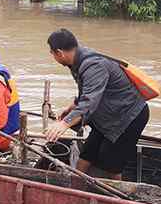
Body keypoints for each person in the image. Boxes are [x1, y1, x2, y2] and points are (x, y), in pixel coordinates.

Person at [44, 29, 149, 180]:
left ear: (59, 53)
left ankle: (114, 200)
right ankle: (76, 186)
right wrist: (73, 107)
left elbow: (89, 103)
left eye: (52, 53)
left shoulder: (93, 66)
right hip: (108, 116)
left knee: (111, 167)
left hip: (128, 117)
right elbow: (88, 92)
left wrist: (64, 124)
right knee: (86, 155)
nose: (52, 56)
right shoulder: (78, 60)